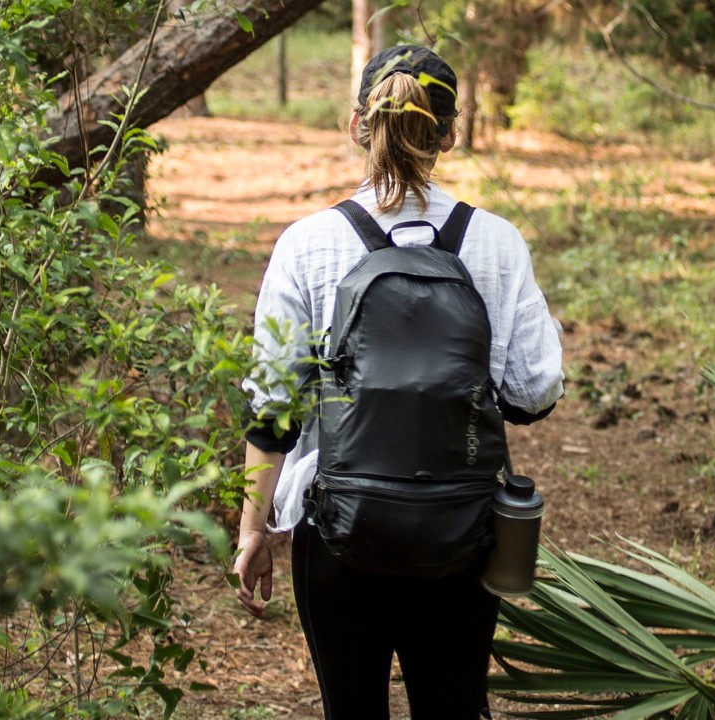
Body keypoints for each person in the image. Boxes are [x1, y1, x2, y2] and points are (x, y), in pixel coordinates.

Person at [233, 45, 564, 720]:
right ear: (449, 133)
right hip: (462, 533)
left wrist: (253, 530)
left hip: (338, 529)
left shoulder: (307, 243)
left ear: (359, 123)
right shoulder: (496, 242)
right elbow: (534, 392)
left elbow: (273, 408)